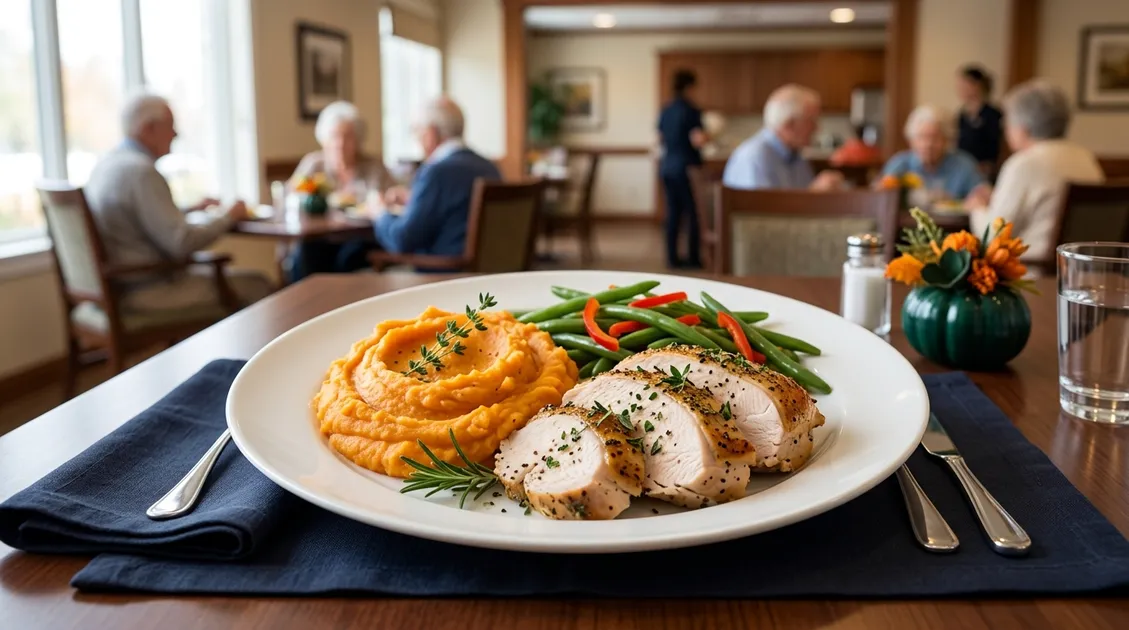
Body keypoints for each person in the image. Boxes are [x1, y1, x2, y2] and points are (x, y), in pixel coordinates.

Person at [84, 93, 271, 313]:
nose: (176, 133)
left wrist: (190, 209)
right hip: (148, 291)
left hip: (113, 290)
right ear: (148, 129)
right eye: (170, 125)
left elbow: (137, 220)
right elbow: (182, 242)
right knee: (259, 285)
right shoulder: (141, 173)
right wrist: (229, 216)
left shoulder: (106, 166)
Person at [968, 80, 1104, 261]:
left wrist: (977, 208)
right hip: (1081, 273)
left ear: (1022, 129)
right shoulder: (1087, 159)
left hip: (1032, 273)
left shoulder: (1024, 164)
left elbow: (993, 236)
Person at [372, 96, 500, 268]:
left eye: (416, 130)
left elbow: (403, 241)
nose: (416, 138)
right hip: (492, 273)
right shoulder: (489, 167)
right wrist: (414, 199)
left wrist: (380, 213)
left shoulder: (437, 172)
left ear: (431, 133)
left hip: (446, 275)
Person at [288, 101, 399, 281]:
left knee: (345, 258)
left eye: (348, 137)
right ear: (324, 140)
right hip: (321, 237)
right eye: (334, 136)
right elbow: (292, 198)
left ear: (358, 140)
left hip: (362, 238)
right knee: (304, 255)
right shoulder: (313, 164)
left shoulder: (374, 167)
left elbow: (390, 203)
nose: (340, 143)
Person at [722, 84, 843, 191]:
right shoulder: (755, 157)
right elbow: (761, 213)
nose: (817, 128)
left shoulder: (797, 157)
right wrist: (814, 193)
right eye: (811, 121)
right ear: (788, 125)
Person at [880, 105, 985, 201]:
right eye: (921, 137)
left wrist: (979, 197)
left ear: (947, 139)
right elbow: (881, 192)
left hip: (952, 222)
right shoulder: (899, 163)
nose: (928, 144)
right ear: (911, 141)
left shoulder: (964, 164)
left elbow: (983, 193)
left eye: (935, 138)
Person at [657, 69, 707, 269]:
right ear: (689, 87)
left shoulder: (666, 110)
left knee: (673, 214)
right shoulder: (691, 110)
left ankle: (672, 258)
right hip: (687, 169)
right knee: (694, 214)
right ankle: (693, 258)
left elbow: (660, 138)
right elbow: (698, 140)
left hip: (667, 166)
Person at [955, 65, 1004, 177]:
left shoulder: (992, 114)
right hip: (964, 169)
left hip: (986, 171)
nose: (959, 89)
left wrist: (989, 166)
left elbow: (998, 146)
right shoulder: (962, 114)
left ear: (976, 85)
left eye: (963, 85)